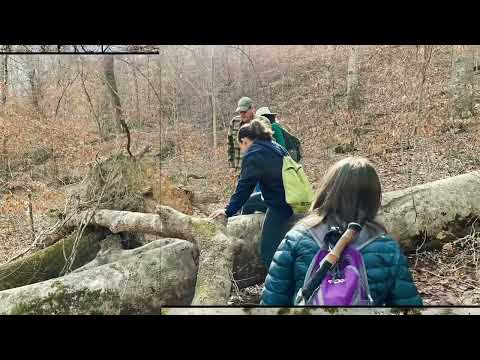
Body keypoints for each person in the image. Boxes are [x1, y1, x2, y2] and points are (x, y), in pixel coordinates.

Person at [260, 157, 423, 306]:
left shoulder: (296, 238)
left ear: (328, 191)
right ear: (373, 198)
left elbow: (271, 302)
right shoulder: (387, 249)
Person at [211, 119, 295, 268]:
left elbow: (244, 187)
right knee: (250, 202)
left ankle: (277, 281)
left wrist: (227, 210)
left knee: (268, 251)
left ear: (244, 141)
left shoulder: (254, 154)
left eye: (241, 146)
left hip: (280, 204)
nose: (242, 151)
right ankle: (243, 224)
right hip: (286, 195)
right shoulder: (275, 146)